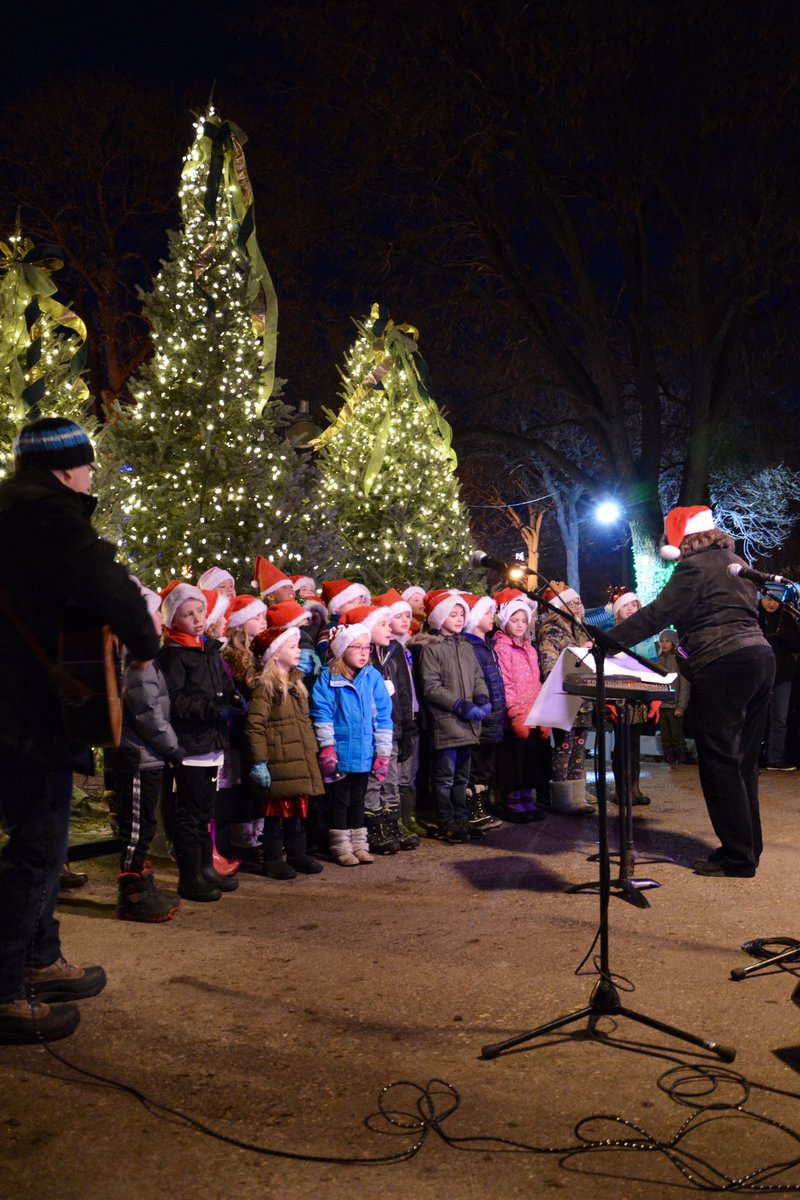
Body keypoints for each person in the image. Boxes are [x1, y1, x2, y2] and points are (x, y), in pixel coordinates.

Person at [0, 417, 159, 1044]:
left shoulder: (9, 511)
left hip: (13, 703)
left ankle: (42, 958)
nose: (91, 476)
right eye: (87, 466)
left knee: (39, 838)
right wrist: (143, 640)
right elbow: (111, 590)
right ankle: (6, 989)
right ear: (67, 468)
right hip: (29, 708)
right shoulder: (51, 518)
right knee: (39, 847)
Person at [612, 505, 773, 878]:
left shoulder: (694, 568)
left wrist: (607, 641)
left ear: (683, 540)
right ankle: (748, 846)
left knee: (720, 761)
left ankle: (737, 857)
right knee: (744, 761)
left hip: (723, 663)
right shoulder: (736, 562)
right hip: (759, 658)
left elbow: (657, 614)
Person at [159, 583, 246, 901]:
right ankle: (189, 876)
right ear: (173, 620)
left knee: (205, 811)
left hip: (211, 742)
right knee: (190, 813)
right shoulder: (174, 655)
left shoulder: (207, 650)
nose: (197, 619)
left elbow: (223, 686)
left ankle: (205, 868)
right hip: (191, 745)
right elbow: (174, 701)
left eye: (200, 611)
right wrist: (212, 708)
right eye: (188, 614)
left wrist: (233, 700)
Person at [115, 584, 183, 922]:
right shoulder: (138, 664)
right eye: (155, 612)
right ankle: (132, 896)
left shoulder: (145, 660)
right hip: (139, 755)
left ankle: (144, 886)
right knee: (137, 827)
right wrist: (173, 747)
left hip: (149, 755)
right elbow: (148, 715)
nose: (160, 618)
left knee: (144, 823)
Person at [310, 623, 394, 865]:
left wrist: (383, 753)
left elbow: (383, 716)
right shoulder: (329, 678)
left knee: (358, 800)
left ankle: (359, 845)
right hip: (340, 752)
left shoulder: (373, 677)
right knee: (340, 801)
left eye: (366, 647)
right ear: (342, 649)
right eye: (356, 647)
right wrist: (327, 746)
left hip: (365, 751)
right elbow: (322, 712)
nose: (363, 652)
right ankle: (341, 846)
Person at [412, 589, 492, 843]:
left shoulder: (465, 644)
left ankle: (461, 818)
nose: (459, 619)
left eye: (461, 614)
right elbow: (431, 686)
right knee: (445, 777)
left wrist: (482, 697)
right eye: (453, 614)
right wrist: (459, 705)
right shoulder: (431, 647)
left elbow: (477, 675)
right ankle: (446, 821)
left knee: (462, 777)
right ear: (439, 617)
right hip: (447, 721)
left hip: (468, 723)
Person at [245, 625, 325, 878]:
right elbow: (254, 726)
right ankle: (272, 859)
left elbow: (303, 723)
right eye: (292, 646)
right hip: (278, 762)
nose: (299, 651)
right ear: (276, 653)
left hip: (297, 760)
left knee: (297, 810)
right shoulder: (266, 687)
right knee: (275, 814)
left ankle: (297, 853)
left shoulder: (295, 684)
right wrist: (259, 762)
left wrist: (311, 752)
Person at [536, 584, 595, 815]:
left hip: (584, 698)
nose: (577, 607)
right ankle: (562, 798)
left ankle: (577, 796)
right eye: (571, 603)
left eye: (578, 602)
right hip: (564, 697)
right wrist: (579, 654)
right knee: (564, 748)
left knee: (579, 749)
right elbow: (549, 667)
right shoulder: (550, 632)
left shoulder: (581, 630)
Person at [492, 592, 550, 822]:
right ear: (505, 621)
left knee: (528, 761)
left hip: (532, 713)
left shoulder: (530, 648)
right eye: (514, 620)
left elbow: (536, 681)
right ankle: (513, 801)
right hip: (514, 717)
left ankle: (527, 797)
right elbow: (505, 682)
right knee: (514, 760)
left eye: (523, 621)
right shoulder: (502, 648)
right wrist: (514, 713)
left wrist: (542, 712)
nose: (519, 625)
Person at [609, 591, 661, 805]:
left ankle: (634, 788)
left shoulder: (646, 636)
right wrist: (608, 702)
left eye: (634, 605)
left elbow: (654, 667)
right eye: (626, 605)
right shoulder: (612, 635)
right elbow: (607, 669)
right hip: (620, 697)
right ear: (617, 611)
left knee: (634, 744)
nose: (631, 609)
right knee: (622, 744)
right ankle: (621, 790)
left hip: (640, 698)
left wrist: (655, 698)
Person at [757, 593, 800, 770]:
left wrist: (783, 635)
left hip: (783, 673)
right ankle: (752, 758)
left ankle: (775, 758)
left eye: (776, 600)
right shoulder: (753, 616)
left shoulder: (786, 618)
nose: (772, 603)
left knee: (780, 718)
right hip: (758, 673)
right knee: (756, 716)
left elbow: (796, 644)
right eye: (768, 599)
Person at [656, 628, 691, 766]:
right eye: (661, 641)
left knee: (676, 735)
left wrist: (681, 706)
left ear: (673, 643)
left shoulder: (678, 660)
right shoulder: (659, 660)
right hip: (661, 705)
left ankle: (682, 760)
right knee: (665, 736)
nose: (663, 644)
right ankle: (670, 759)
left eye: (667, 641)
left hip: (674, 705)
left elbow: (685, 684)